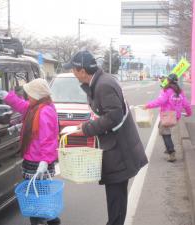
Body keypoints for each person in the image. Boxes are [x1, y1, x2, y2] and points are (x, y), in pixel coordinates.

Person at [63, 50, 148, 225]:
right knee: (116, 198)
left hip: (119, 152)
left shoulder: (103, 85)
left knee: (116, 199)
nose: (72, 73)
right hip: (116, 149)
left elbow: (113, 117)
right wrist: (86, 126)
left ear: (82, 71)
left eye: (73, 69)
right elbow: (105, 114)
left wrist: (86, 129)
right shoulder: (100, 82)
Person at [0, 79, 60, 225]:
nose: (28, 97)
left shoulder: (44, 112)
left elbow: (48, 139)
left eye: (30, 94)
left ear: (38, 95)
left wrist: (45, 161)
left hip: (39, 163)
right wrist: (8, 96)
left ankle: (49, 222)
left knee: (36, 199)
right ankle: (50, 221)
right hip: (33, 161)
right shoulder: (35, 108)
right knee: (38, 197)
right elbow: (21, 105)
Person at [145, 73, 192, 162]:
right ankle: (168, 148)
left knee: (165, 132)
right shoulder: (180, 91)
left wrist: (148, 105)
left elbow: (160, 101)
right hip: (176, 116)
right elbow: (186, 104)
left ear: (168, 80)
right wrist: (189, 113)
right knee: (161, 126)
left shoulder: (167, 90)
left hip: (168, 115)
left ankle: (171, 152)